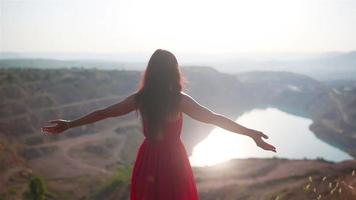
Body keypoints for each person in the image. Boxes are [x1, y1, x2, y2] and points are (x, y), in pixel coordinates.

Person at [41, 49, 276, 200]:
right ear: (174, 71)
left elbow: (105, 113)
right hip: (174, 161)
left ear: (151, 72)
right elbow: (215, 118)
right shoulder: (179, 100)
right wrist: (251, 134)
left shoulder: (141, 98)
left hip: (148, 159)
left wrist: (71, 124)